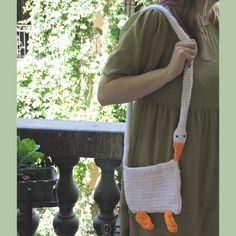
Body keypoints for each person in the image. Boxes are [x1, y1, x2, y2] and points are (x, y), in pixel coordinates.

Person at [97, 0, 219, 235]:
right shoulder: (156, 21)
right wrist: (168, 72)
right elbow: (106, 92)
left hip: (213, 176)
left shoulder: (218, 24)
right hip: (172, 178)